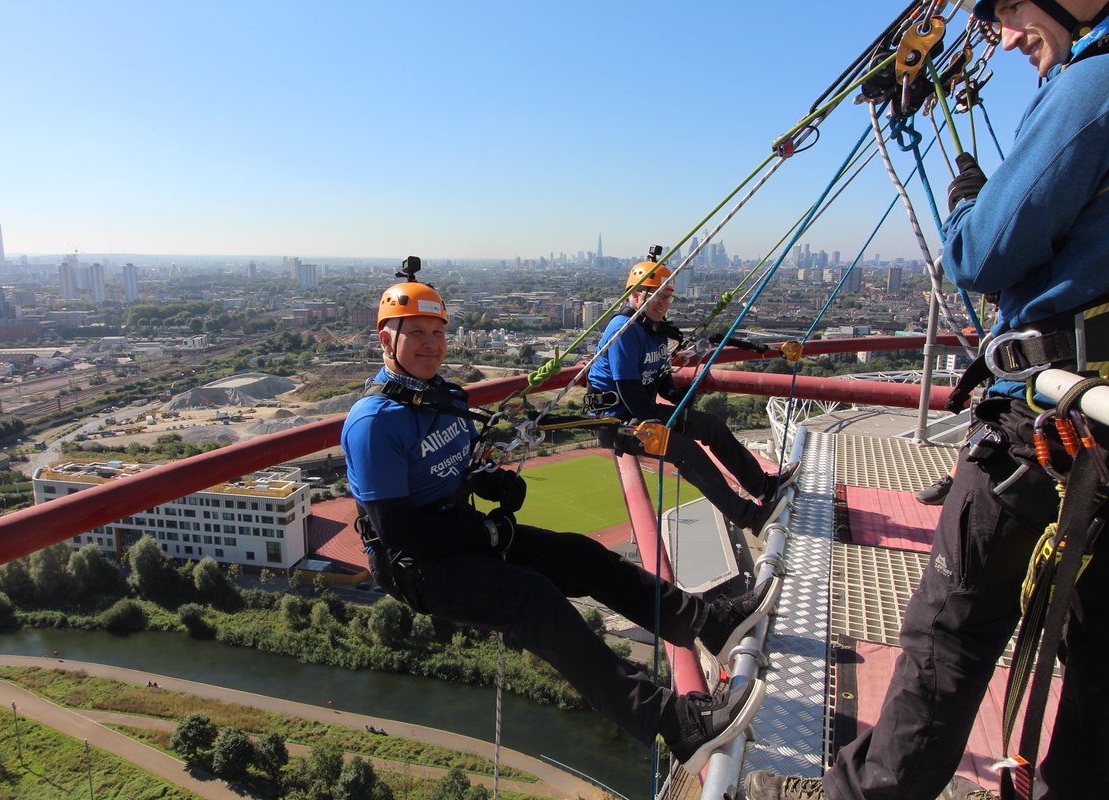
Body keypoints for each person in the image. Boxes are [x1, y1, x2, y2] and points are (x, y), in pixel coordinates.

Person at [746, 1, 1109, 798]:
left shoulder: (1093, 86)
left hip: (1052, 422)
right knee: (1097, 657)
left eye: (1010, 6)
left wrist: (965, 201)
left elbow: (980, 253)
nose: (1007, 33)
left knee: (952, 636)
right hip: (1091, 417)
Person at [341, 260, 781, 774]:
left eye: (437, 333)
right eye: (414, 333)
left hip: (457, 534)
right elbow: (399, 531)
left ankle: (707, 621)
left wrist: (488, 483)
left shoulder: (444, 398)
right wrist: (486, 529)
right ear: (384, 340)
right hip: (417, 565)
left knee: (581, 556)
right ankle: (676, 725)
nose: (430, 345)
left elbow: (451, 471)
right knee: (534, 600)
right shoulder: (374, 424)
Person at [587, 252, 798, 591]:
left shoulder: (655, 331)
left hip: (641, 412)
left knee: (710, 424)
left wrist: (675, 394)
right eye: (654, 296)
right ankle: (750, 518)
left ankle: (763, 486)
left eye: (666, 296)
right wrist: (673, 418)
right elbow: (629, 390)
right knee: (686, 450)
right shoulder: (624, 329)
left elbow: (657, 378)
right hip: (620, 421)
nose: (661, 303)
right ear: (634, 296)